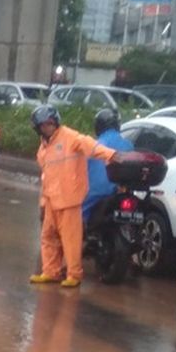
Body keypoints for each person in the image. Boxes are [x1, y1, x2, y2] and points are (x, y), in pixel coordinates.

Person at [29, 104, 118, 287]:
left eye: (49, 124)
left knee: (71, 240)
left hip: (69, 200)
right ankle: (51, 271)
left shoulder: (70, 137)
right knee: (48, 237)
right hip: (52, 199)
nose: (47, 127)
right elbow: (46, 177)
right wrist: (43, 202)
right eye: (44, 125)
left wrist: (111, 155)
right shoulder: (44, 147)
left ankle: (74, 274)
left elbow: (92, 147)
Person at [81, 109, 134, 224]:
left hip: (96, 194)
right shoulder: (128, 145)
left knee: (76, 217)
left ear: (99, 126)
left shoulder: (94, 146)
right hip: (121, 193)